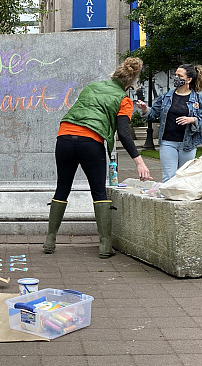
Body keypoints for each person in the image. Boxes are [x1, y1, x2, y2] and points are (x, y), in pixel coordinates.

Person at [43, 57, 151, 258]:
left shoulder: (92, 87)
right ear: (130, 84)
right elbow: (124, 133)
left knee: (62, 187)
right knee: (99, 192)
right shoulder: (124, 100)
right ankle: (105, 246)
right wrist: (139, 161)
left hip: (64, 137)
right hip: (90, 142)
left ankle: (50, 240)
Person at [137, 64, 202, 182]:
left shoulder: (198, 99)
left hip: (188, 144)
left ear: (189, 79)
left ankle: (181, 200)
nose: (176, 77)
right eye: (175, 75)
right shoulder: (166, 97)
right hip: (168, 142)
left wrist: (193, 120)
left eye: (180, 75)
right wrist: (145, 109)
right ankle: (167, 199)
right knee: (168, 177)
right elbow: (153, 114)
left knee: (184, 178)